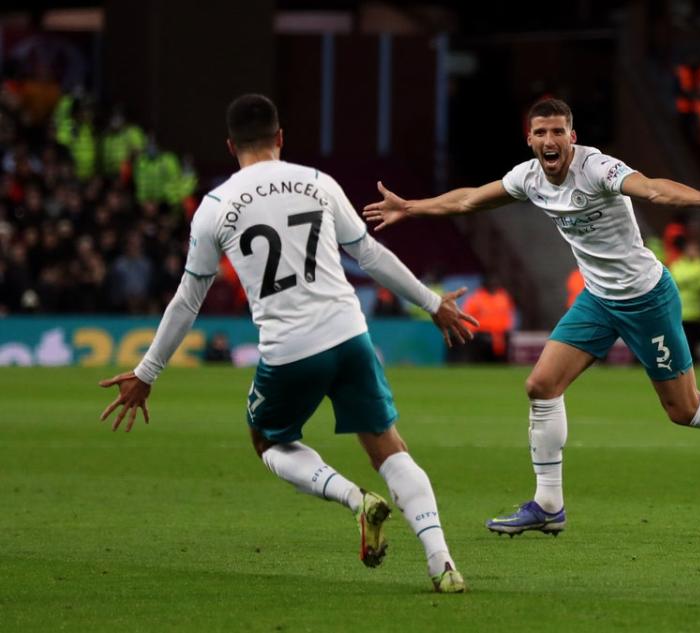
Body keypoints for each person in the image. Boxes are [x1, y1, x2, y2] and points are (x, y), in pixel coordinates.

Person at [364, 98, 700, 537]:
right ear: (529, 139)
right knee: (541, 385)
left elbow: (651, 187)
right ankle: (548, 506)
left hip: (646, 299)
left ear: (572, 136)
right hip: (598, 300)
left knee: (685, 409)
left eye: (558, 132)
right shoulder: (528, 178)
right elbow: (468, 201)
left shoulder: (597, 167)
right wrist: (411, 207)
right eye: (541, 132)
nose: (550, 139)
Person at [98, 94, 474, 593]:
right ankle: (442, 562)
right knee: (389, 446)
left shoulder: (215, 207)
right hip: (350, 335)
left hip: (290, 349)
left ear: (231, 146)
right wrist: (432, 303)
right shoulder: (319, 183)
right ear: (280, 137)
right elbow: (372, 255)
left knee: (267, 439)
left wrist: (146, 373)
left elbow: (188, 300)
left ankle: (354, 500)